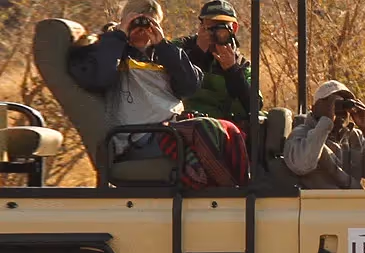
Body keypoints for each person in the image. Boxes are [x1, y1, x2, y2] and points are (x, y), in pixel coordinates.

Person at [68, 0, 247, 189]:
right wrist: (120, 35)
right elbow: (99, 78)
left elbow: (189, 87)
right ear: (123, 21)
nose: (142, 29)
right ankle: (234, 193)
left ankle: (240, 186)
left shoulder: (162, 54)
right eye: (137, 22)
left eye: (150, 24)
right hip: (138, 138)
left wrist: (162, 44)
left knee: (228, 129)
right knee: (204, 129)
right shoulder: (109, 51)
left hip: (169, 130)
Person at [284, 80, 365, 189]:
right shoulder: (301, 133)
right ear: (314, 108)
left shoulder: (355, 138)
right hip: (317, 206)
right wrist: (326, 122)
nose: (339, 110)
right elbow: (302, 165)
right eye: (332, 103)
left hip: (350, 206)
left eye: (344, 104)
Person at [173, 0, 260, 120]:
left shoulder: (240, 64)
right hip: (184, 121)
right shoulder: (181, 48)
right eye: (211, 28)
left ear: (234, 29)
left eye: (222, 28)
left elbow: (255, 106)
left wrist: (232, 70)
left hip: (222, 126)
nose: (215, 34)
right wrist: (197, 54)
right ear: (201, 26)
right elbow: (171, 78)